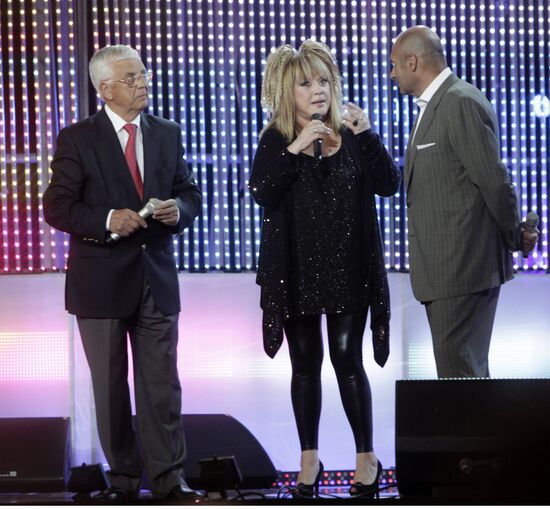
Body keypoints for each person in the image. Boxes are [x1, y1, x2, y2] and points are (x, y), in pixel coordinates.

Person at [43, 45, 202, 502]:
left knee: (162, 387)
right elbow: (57, 207)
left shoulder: (167, 132)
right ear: (105, 88)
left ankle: (169, 479)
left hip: (156, 279)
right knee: (110, 389)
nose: (143, 83)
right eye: (131, 78)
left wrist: (179, 209)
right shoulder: (78, 138)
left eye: (143, 74)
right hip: (100, 283)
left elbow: (190, 192)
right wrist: (108, 219)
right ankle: (125, 481)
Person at [249, 40, 401, 498]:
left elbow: (388, 184)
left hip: (349, 269)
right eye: (305, 83)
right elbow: (261, 191)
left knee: (347, 358)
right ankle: (309, 460)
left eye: (323, 81)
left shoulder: (352, 134)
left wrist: (369, 136)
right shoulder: (276, 139)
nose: (318, 90)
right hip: (296, 271)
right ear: (286, 91)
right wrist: (296, 147)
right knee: (304, 364)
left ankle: (366, 458)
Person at [390, 26, 538, 378]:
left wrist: (514, 237)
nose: (392, 74)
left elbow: (494, 181)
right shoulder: (437, 104)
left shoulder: (459, 102)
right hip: (447, 275)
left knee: (461, 383)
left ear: (413, 62)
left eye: (394, 65)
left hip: (461, 272)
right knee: (464, 383)